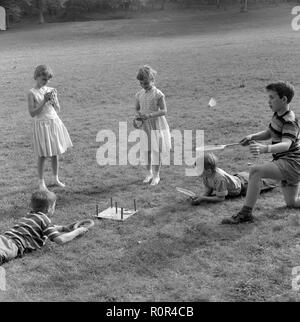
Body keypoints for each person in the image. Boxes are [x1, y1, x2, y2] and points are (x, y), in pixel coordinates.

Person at [222, 81, 300, 224]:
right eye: (268, 97)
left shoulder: (289, 121)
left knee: (256, 171)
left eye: (272, 97)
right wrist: (252, 137)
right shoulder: (278, 115)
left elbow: (286, 145)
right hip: (286, 163)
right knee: (292, 203)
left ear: (283, 99)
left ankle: (246, 213)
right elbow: (270, 132)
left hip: (292, 163)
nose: (268, 101)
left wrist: (265, 149)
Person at [0, 190, 88, 265]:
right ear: (49, 209)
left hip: (3, 238)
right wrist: (78, 231)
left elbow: (42, 229)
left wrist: (63, 228)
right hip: (12, 245)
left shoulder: (29, 216)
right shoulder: (44, 219)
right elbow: (60, 239)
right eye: (54, 206)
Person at [28, 65, 73, 191]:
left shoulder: (52, 90)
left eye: (48, 79)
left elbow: (58, 109)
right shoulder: (31, 93)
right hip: (41, 125)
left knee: (55, 152)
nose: (45, 82)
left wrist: (53, 101)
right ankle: (41, 181)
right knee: (42, 154)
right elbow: (32, 113)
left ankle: (55, 178)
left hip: (54, 122)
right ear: (36, 77)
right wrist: (43, 101)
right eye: (43, 79)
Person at [191, 153, 277, 205]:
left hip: (244, 185)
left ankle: (280, 174)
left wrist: (203, 199)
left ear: (208, 170)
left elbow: (220, 198)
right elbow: (209, 189)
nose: (196, 171)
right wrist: (201, 196)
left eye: (198, 169)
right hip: (238, 177)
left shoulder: (219, 178)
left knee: (269, 183)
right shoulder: (206, 175)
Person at [135, 65, 171, 186]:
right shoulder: (139, 94)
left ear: (152, 80)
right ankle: (149, 173)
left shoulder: (158, 94)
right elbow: (138, 108)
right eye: (141, 83)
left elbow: (164, 111)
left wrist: (150, 115)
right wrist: (137, 118)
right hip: (145, 126)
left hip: (156, 125)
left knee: (156, 150)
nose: (143, 85)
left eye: (145, 83)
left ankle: (156, 175)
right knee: (146, 150)